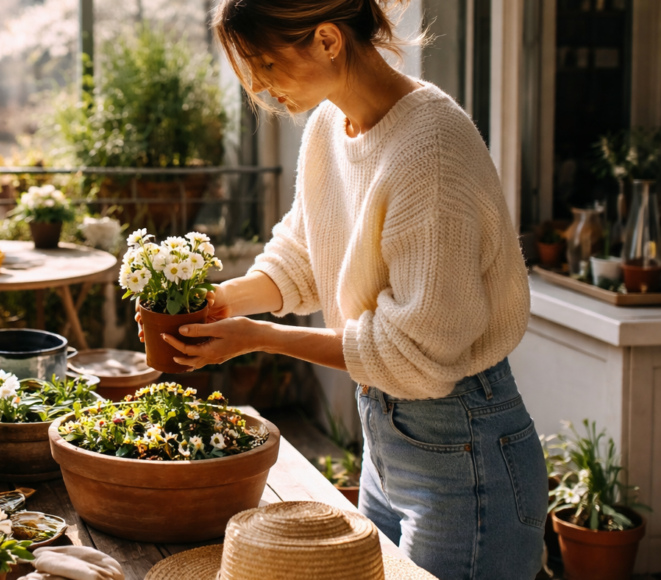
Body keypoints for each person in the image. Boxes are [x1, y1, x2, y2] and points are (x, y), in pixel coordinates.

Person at [137, 1, 545, 579]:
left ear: (328, 40)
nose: (259, 86)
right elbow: (306, 256)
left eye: (267, 64)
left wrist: (258, 337)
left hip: (465, 446)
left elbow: (416, 354)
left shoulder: (430, 148)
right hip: (385, 433)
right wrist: (221, 303)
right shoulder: (331, 124)